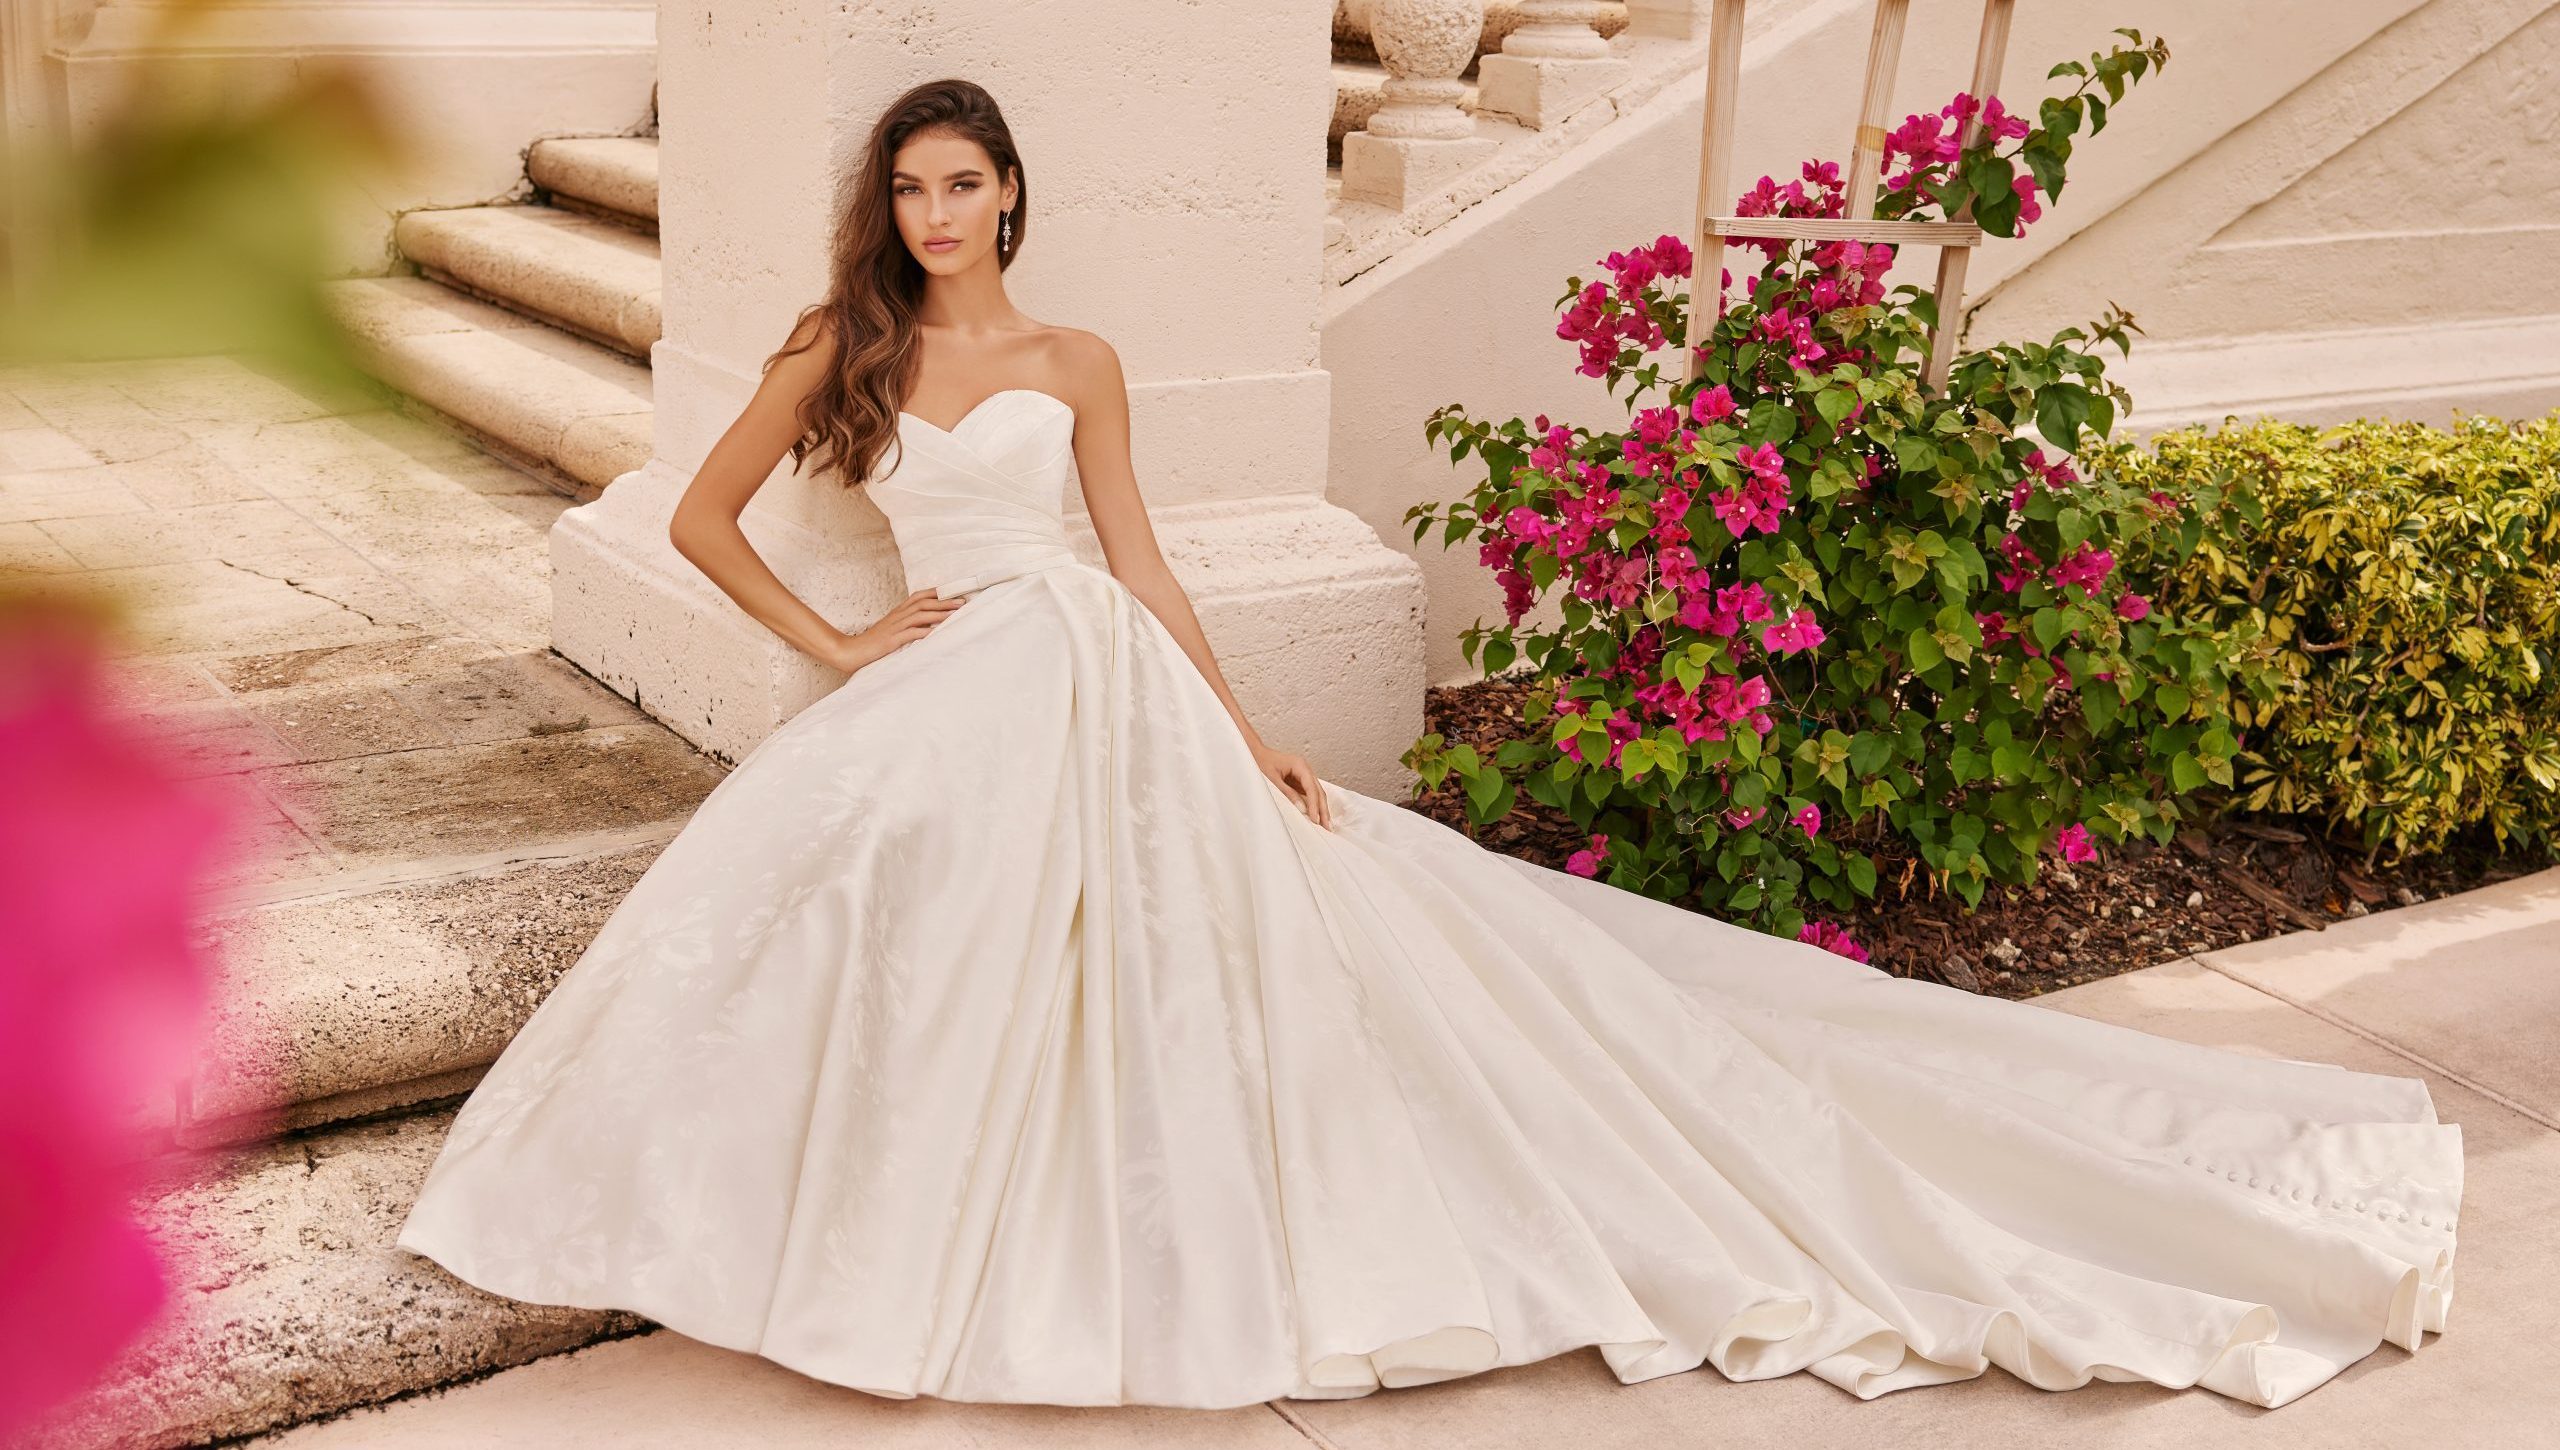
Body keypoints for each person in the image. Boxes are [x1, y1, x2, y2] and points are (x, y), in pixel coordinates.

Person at [395, 77, 2460, 1412]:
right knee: (886, 944)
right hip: (941, 694)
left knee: (1237, 949)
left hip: (1100, 677)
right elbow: (691, 519)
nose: (935, 213)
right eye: (910, 188)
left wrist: (1243, 734)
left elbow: (1141, 558)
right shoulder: (832, 347)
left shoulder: (1079, 354)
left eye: (962, 182)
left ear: (1010, 189)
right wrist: (837, 643)